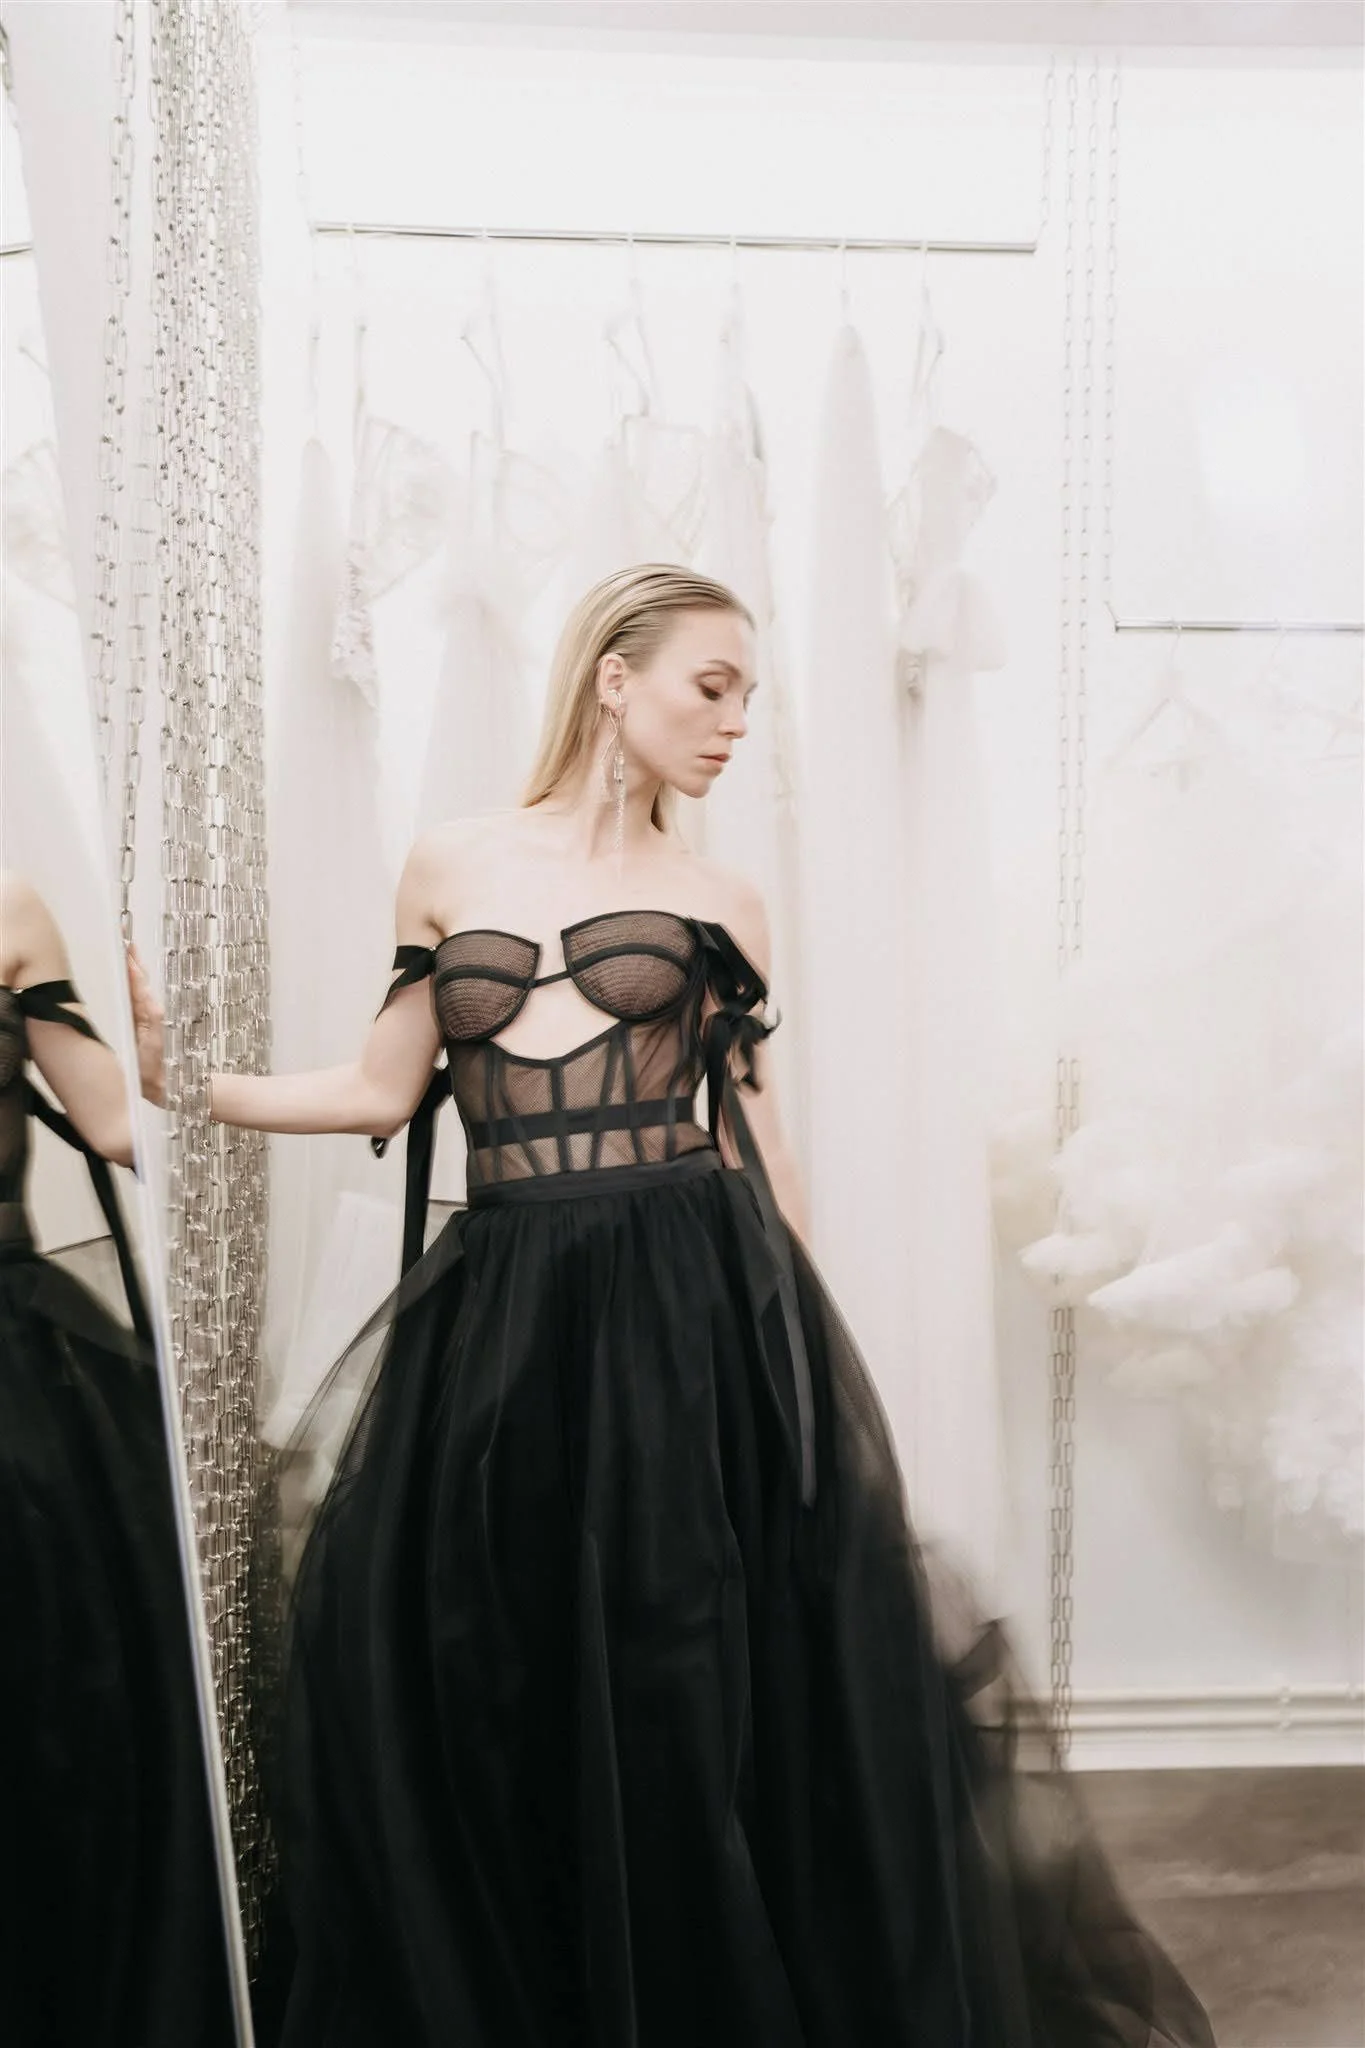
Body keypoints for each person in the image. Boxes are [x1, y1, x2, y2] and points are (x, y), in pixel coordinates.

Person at [164, 565, 1216, 2045]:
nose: (732, 725)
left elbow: (753, 1138)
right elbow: (378, 1090)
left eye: (748, 698)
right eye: (709, 687)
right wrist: (173, 1084)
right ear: (614, 675)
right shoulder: (452, 864)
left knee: (687, 1669)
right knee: (491, 1660)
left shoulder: (722, 899)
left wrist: (797, 1368)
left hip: (685, 1297)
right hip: (507, 1307)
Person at [0, 870, 233, 2048]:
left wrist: (154, 1055)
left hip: (16, 1372)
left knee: (54, 1711)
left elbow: (107, 1124)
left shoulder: (8, 911)